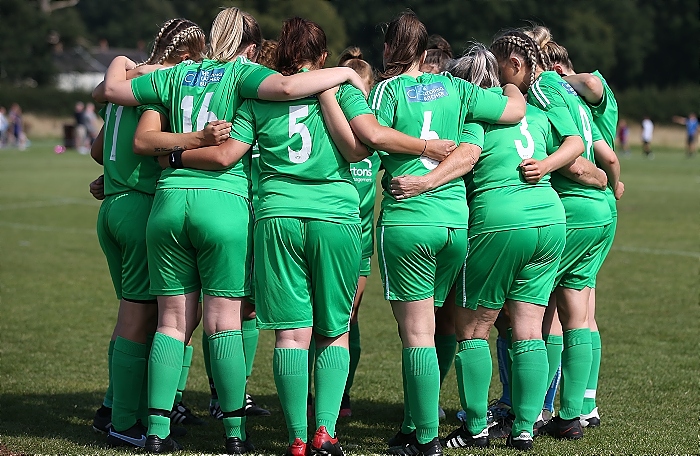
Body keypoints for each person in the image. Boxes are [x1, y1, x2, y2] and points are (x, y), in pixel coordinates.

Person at [162, 15, 457, 455]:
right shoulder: (338, 89)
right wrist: (331, 92)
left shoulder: (256, 98)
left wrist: (175, 158)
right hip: (335, 217)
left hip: (277, 216)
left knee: (290, 335)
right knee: (333, 331)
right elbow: (361, 149)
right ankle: (325, 432)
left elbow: (227, 154)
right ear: (321, 57)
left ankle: (297, 438)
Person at [100, 7, 374, 454]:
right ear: (249, 46)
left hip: (167, 202)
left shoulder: (178, 76)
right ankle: (234, 432)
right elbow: (284, 95)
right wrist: (342, 72)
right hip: (227, 205)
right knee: (226, 321)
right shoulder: (244, 77)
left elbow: (115, 96)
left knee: (171, 322)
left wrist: (147, 81)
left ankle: (155, 431)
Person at [390, 41, 599, 452]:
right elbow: (576, 146)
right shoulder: (534, 114)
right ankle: (524, 427)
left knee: (472, 330)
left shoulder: (474, 120)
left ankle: (476, 428)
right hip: (550, 218)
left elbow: (465, 161)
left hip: (499, 222)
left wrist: (425, 183)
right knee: (528, 327)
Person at [365, 12, 526, 456]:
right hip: (455, 224)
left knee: (415, 334)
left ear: (391, 50)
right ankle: (414, 423)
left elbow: (369, 138)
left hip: (409, 220)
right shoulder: (458, 89)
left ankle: (425, 438)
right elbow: (514, 110)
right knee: (438, 329)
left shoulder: (387, 89)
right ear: (425, 50)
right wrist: (514, 78)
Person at [87, 18, 209, 448]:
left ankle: (111, 408)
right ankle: (124, 420)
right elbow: (147, 142)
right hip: (141, 208)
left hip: (115, 208)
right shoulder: (161, 84)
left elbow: (99, 150)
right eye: (198, 57)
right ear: (185, 55)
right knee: (142, 318)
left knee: (133, 316)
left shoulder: (127, 79)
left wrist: (113, 177)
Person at [491, 28, 613, 441]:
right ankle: (573, 413)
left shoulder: (542, 89)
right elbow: (596, 147)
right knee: (577, 315)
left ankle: (532, 410)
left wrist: (549, 167)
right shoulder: (567, 88)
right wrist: (604, 179)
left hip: (573, 208)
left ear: (518, 63)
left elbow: (574, 151)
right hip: (598, 213)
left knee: (534, 315)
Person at [545, 34, 625, 429]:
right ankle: (584, 404)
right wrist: (613, 183)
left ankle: (541, 408)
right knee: (585, 311)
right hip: (602, 203)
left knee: (552, 315)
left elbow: (592, 83)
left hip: (579, 201)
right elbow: (609, 157)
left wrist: (564, 76)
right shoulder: (581, 105)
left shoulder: (573, 93)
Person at [334, 45, 378, 419]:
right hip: (328, 235)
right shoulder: (326, 126)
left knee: (348, 320)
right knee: (319, 320)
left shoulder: (375, 138)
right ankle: (319, 393)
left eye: (359, 95)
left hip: (360, 245)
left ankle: (341, 394)